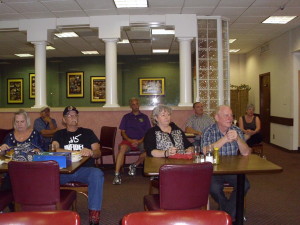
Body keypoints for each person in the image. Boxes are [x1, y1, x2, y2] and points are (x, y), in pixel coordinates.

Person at [51, 106, 104, 225]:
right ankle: (48, 212)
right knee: (46, 174)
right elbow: (54, 149)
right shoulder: (59, 134)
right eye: (69, 115)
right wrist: (76, 152)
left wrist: (91, 152)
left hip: (84, 170)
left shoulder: (88, 132)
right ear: (64, 120)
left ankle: (94, 215)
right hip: (64, 171)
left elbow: (98, 151)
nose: (73, 117)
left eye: (75, 115)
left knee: (97, 174)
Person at [201, 105, 251, 220]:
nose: (230, 118)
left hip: (232, 169)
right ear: (217, 117)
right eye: (226, 115)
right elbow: (204, 151)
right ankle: (230, 213)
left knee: (245, 184)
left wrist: (238, 139)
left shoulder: (237, 130)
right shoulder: (209, 131)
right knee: (213, 188)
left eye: (231, 115)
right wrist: (225, 139)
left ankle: (225, 213)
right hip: (213, 169)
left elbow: (246, 152)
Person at [0, 109, 44, 190]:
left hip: (32, 172)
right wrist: (1, 150)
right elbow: (2, 155)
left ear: (27, 121)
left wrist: (38, 151)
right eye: (17, 122)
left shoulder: (35, 134)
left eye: (22, 121)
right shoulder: (9, 136)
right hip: (13, 173)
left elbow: (44, 152)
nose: (19, 124)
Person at [113, 98, 151, 185]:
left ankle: (134, 165)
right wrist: (130, 140)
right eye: (133, 104)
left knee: (150, 150)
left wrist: (140, 141)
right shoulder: (126, 117)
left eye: (137, 103)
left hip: (141, 141)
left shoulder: (144, 117)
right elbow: (122, 132)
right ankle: (117, 175)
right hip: (128, 141)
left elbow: (148, 132)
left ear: (139, 104)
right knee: (122, 149)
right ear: (131, 106)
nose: (135, 106)